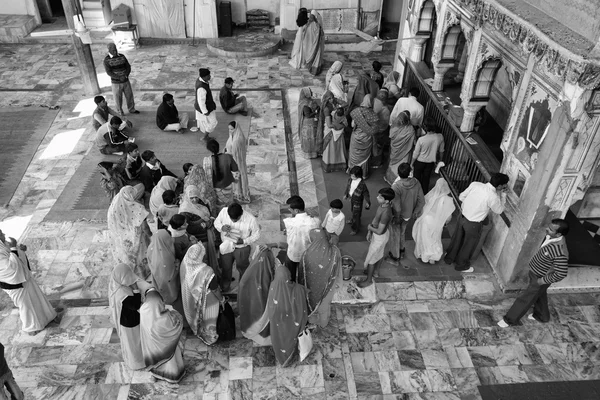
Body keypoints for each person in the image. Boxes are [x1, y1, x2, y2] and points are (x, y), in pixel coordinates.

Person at [498, 219, 570, 327]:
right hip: (535, 274)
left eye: (550, 229)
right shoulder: (551, 238)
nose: (547, 229)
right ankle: (542, 316)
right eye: (548, 227)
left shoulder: (560, 251)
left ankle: (510, 320)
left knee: (525, 298)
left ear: (559, 234)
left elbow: (561, 273)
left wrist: (541, 281)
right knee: (539, 295)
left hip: (540, 278)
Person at [444, 173, 509, 272]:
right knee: (468, 244)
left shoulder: (475, 185)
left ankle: (449, 258)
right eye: (505, 184)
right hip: (473, 224)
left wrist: (470, 205)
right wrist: (503, 195)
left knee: (457, 238)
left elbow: (461, 197)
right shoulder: (493, 197)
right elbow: (499, 210)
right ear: (499, 186)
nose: (505, 186)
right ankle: (460, 265)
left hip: (462, 217)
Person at [0, 230, 58, 335]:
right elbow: (10, 269)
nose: (4, 234)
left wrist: (20, 250)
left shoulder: (3, 246)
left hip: (23, 278)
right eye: (0, 233)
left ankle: (46, 318)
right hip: (15, 284)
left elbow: (15, 257)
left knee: (36, 298)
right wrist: (13, 248)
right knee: (26, 305)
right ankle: (31, 327)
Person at [109, 263, 150, 371]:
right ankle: (138, 363)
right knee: (134, 344)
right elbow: (135, 305)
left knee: (135, 343)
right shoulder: (122, 293)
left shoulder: (119, 286)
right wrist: (136, 290)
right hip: (130, 324)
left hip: (129, 321)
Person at [298, 229, 343, 328]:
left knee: (312, 304)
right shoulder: (335, 251)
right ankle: (323, 323)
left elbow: (302, 275)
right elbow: (338, 269)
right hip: (329, 287)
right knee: (324, 307)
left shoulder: (306, 255)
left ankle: (311, 319)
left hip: (311, 289)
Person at [265, 264, 308, 366]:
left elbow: (271, 308)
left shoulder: (273, 287)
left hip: (278, 324)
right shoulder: (298, 289)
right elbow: (303, 305)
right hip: (292, 324)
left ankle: (282, 357)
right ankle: (292, 354)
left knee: (279, 338)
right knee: (291, 338)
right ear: (288, 276)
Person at [139, 288, 185, 383]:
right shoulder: (167, 317)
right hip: (168, 346)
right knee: (171, 362)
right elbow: (178, 321)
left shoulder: (143, 310)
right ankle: (173, 377)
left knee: (157, 361)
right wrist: (173, 312)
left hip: (152, 347)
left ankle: (156, 375)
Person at [180, 243, 222, 345]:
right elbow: (215, 289)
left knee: (200, 319)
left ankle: (201, 333)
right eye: (203, 254)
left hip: (190, 300)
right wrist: (221, 299)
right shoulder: (206, 270)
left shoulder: (185, 264)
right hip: (208, 300)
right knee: (210, 318)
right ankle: (211, 338)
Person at [214, 203, 261, 292]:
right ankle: (225, 287)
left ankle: (243, 288)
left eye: (236, 219)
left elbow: (257, 234)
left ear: (241, 214)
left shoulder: (251, 219)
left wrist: (244, 241)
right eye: (231, 218)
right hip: (227, 246)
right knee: (226, 267)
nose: (233, 220)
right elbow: (216, 222)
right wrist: (222, 227)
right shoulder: (224, 211)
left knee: (243, 268)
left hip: (242, 248)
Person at [107, 185, 151, 279]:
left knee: (127, 254)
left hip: (121, 236)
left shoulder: (116, 202)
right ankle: (142, 273)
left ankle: (127, 271)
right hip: (137, 237)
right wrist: (151, 236)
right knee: (140, 254)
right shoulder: (137, 208)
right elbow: (145, 227)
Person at [239, 246, 277, 345]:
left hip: (251, 305)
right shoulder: (268, 272)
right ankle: (263, 333)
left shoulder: (250, 271)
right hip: (263, 303)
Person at [412, 178, 456, 264]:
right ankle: (433, 257)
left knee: (425, 238)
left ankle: (424, 256)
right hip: (437, 222)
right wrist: (445, 222)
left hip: (425, 220)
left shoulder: (431, 195)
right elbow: (448, 216)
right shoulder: (448, 200)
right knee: (435, 238)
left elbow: (422, 206)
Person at [358, 188, 395, 288]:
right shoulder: (382, 206)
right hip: (378, 235)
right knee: (379, 254)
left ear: (386, 201)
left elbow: (379, 231)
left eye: (380, 197)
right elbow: (375, 219)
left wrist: (369, 227)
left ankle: (368, 280)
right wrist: (370, 231)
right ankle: (376, 272)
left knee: (371, 259)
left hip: (380, 237)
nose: (377, 197)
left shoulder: (386, 213)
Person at [388, 163, 424, 263]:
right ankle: (402, 251)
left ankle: (395, 257)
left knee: (395, 234)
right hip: (408, 215)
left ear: (398, 173)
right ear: (409, 172)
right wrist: (415, 212)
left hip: (397, 215)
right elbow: (422, 201)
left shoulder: (396, 186)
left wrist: (397, 217)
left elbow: (397, 206)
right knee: (402, 232)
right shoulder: (416, 182)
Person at [283, 196, 320, 282]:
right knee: (304, 275)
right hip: (306, 254)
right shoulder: (315, 221)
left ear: (296, 210)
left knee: (289, 274)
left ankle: (291, 284)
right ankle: (302, 288)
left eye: (290, 209)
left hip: (292, 252)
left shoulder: (289, 222)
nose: (289, 210)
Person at [348, 95, 380, 180]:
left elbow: (352, 125)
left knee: (354, 155)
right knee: (364, 157)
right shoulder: (373, 114)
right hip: (366, 138)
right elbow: (376, 129)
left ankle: (353, 172)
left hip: (356, 137)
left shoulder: (356, 112)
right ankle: (363, 174)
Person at [103, 43, 139, 115]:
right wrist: (119, 77)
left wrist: (126, 75)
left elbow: (128, 66)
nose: (115, 51)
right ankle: (120, 112)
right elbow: (109, 72)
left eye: (115, 49)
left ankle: (131, 109)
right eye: (113, 49)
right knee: (118, 98)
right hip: (116, 83)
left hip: (125, 80)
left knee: (129, 96)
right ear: (109, 50)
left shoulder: (122, 56)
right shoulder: (106, 60)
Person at [147, 229, 180, 307]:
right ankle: (171, 298)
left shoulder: (151, 247)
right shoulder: (166, 255)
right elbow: (171, 273)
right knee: (170, 287)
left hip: (157, 274)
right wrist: (177, 264)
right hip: (166, 277)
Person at [412, 117, 445, 194]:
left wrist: (411, 163)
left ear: (425, 127)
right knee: (426, 179)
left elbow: (416, 153)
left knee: (416, 179)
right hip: (430, 163)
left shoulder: (421, 140)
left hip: (419, 162)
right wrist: (440, 160)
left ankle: (416, 194)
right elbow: (441, 151)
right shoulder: (440, 137)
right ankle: (424, 194)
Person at [204, 139, 239, 211]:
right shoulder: (228, 157)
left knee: (220, 207)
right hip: (228, 185)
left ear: (209, 150)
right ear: (218, 147)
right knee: (230, 203)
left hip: (216, 188)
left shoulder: (207, 161)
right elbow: (235, 169)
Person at [320, 92, 348, 173]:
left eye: (332, 98)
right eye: (329, 99)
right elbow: (329, 125)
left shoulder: (334, 103)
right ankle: (329, 165)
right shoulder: (326, 109)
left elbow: (346, 104)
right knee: (331, 149)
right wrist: (341, 125)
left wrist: (336, 100)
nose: (331, 100)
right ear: (326, 99)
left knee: (339, 148)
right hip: (332, 131)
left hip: (338, 129)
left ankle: (340, 164)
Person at [385, 111, 415, 185]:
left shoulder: (394, 127)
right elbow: (414, 143)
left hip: (394, 152)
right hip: (405, 152)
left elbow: (390, 136)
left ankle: (389, 178)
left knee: (393, 165)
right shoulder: (410, 129)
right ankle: (400, 180)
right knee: (402, 165)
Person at [225, 121, 251, 203]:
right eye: (229, 129)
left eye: (232, 129)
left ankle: (242, 195)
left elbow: (235, 153)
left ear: (236, 129)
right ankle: (239, 194)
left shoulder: (237, 140)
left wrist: (227, 153)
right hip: (234, 161)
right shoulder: (234, 135)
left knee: (238, 178)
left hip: (237, 162)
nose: (230, 131)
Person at [344, 166, 371, 235]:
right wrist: (346, 195)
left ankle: (355, 229)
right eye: (351, 175)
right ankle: (353, 220)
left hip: (358, 202)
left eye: (353, 176)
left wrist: (368, 201)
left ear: (358, 176)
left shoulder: (362, 184)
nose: (351, 177)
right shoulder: (350, 179)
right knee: (353, 211)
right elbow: (348, 188)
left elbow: (366, 193)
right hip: (352, 199)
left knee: (356, 215)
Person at [194, 68, 217, 141]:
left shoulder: (200, 80)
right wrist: (205, 112)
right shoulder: (201, 88)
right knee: (213, 122)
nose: (210, 76)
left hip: (207, 106)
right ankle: (205, 137)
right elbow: (201, 101)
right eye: (208, 75)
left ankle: (206, 136)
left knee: (207, 122)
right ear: (204, 77)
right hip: (206, 108)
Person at [298, 87, 321, 159]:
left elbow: (317, 107)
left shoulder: (310, 100)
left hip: (312, 122)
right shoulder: (304, 103)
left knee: (314, 138)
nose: (311, 92)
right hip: (308, 124)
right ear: (306, 93)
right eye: (309, 91)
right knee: (309, 138)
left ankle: (315, 153)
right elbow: (308, 115)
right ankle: (309, 154)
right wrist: (316, 112)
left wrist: (317, 108)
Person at [372, 89, 392, 168]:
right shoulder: (386, 109)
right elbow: (385, 124)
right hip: (380, 131)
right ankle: (377, 162)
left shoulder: (373, 103)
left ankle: (375, 162)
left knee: (375, 147)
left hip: (374, 130)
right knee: (378, 147)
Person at [301, 11, 325, 75]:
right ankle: (315, 70)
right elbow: (320, 33)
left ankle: (310, 67)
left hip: (309, 45)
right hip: (315, 45)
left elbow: (304, 35)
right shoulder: (316, 25)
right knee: (316, 57)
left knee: (310, 55)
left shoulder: (307, 24)